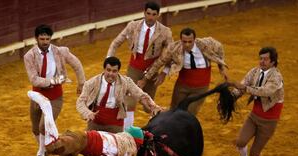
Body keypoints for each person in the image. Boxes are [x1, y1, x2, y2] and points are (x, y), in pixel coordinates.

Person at [24, 24, 86, 156]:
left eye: (47, 39)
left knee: (43, 126)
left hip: (55, 97)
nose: (45, 42)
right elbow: (33, 79)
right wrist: (51, 82)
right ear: (36, 39)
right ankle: (45, 147)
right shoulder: (29, 56)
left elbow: (77, 64)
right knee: (35, 128)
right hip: (37, 96)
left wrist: (81, 83)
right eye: (42, 39)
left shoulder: (60, 52)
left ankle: (41, 153)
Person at [107, 1, 172, 129]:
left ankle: (153, 130)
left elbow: (170, 54)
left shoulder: (165, 32)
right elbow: (116, 43)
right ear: (144, 13)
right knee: (129, 102)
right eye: (148, 13)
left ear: (158, 15)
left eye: (154, 14)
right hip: (134, 69)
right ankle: (127, 134)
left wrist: (164, 72)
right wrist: (108, 60)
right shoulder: (133, 26)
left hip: (153, 70)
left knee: (148, 106)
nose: (150, 17)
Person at [227, 47, 284, 156]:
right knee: (240, 142)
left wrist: (244, 88)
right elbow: (243, 85)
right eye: (261, 58)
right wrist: (231, 96)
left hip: (269, 122)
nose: (262, 62)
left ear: (273, 61)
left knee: (255, 151)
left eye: (265, 59)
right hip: (254, 116)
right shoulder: (254, 72)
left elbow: (265, 91)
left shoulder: (277, 77)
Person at [139, 27, 228, 115]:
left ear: (195, 39)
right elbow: (159, 63)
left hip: (201, 89)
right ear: (181, 40)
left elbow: (219, 48)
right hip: (182, 87)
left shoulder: (207, 44)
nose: (187, 45)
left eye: (190, 42)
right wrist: (145, 79)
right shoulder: (174, 48)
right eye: (184, 42)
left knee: (188, 114)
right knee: (174, 111)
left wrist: (221, 67)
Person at [76, 56, 163, 133]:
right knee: (92, 149)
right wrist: (87, 113)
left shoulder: (126, 82)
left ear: (118, 71)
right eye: (108, 70)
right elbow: (80, 102)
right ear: (104, 69)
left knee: (116, 150)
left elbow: (141, 95)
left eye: (114, 71)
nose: (111, 74)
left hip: (115, 123)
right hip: (95, 121)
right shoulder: (91, 83)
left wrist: (153, 106)